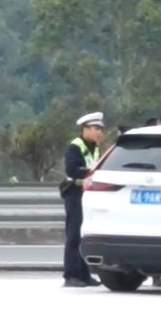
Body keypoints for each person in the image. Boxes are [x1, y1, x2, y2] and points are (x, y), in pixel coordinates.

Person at [58, 111, 107, 286]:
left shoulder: (94, 146)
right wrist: (92, 173)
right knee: (73, 235)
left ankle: (84, 274)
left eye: (101, 129)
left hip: (87, 193)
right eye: (95, 128)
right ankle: (70, 275)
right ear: (84, 129)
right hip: (75, 192)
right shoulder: (76, 146)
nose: (99, 132)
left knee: (84, 234)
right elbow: (72, 170)